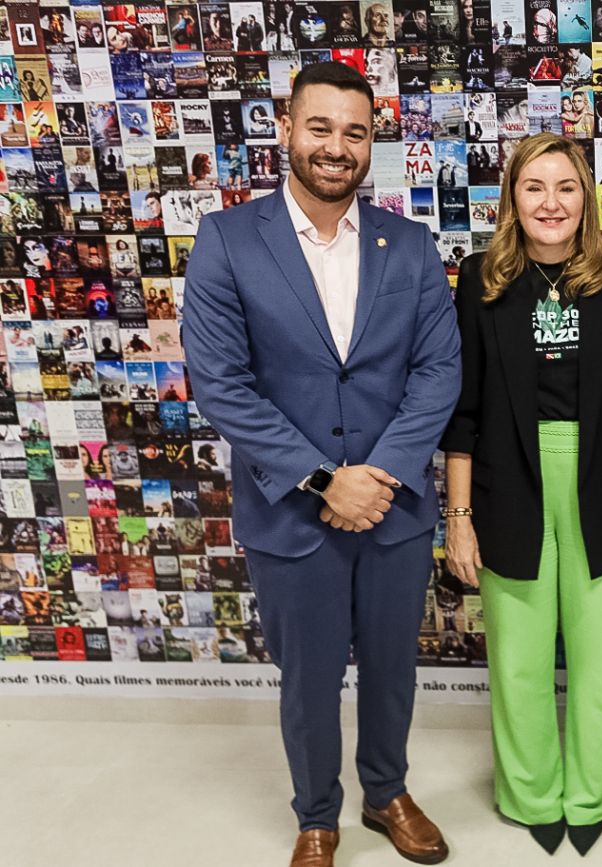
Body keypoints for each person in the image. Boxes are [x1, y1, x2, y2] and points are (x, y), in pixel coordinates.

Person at [181, 62, 461, 867]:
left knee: (390, 667)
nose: (337, 147)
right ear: (287, 129)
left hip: (393, 505)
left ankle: (387, 792)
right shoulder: (228, 240)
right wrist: (322, 477)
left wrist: (381, 473)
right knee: (306, 678)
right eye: (321, 128)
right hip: (289, 511)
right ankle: (317, 813)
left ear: (371, 142)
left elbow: (439, 370)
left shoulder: (408, 245)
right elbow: (222, 384)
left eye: (355, 132)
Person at [441, 132, 602, 858]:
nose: (551, 202)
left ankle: (594, 792)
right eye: (534, 187)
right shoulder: (480, 278)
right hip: (509, 480)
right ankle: (533, 791)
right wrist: (461, 515)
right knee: (521, 657)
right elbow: (464, 414)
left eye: (566, 187)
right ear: (512, 196)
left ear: (586, 199)